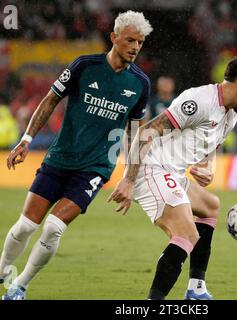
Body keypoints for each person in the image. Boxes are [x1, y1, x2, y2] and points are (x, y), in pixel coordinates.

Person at [0, 10, 153, 300]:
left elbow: (137, 134)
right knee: (25, 226)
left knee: (53, 229)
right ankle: (2, 268)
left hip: (94, 168)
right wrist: (27, 139)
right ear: (114, 38)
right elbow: (50, 99)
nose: (135, 47)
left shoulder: (140, 84)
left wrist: (130, 178)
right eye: (130, 40)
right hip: (59, 159)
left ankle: (19, 285)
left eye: (140, 42)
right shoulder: (84, 66)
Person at [109, 54, 237, 300]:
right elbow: (147, 133)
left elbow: (211, 144)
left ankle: (196, 289)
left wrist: (207, 167)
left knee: (210, 207)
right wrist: (129, 180)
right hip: (151, 168)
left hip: (172, 173)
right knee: (187, 234)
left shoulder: (232, 114)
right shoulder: (199, 101)